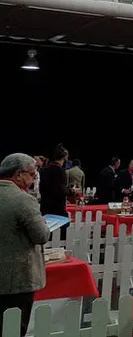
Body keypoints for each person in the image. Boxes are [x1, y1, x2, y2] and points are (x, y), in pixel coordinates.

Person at [0, 153, 50, 337]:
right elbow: (41, 236)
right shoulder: (23, 200)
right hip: (17, 280)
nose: (33, 178)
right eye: (32, 174)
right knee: (14, 330)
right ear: (18, 175)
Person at [39, 144, 69, 218]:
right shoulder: (60, 170)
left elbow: (41, 188)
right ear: (65, 157)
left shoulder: (44, 169)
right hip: (57, 209)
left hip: (45, 207)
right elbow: (61, 190)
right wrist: (72, 191)